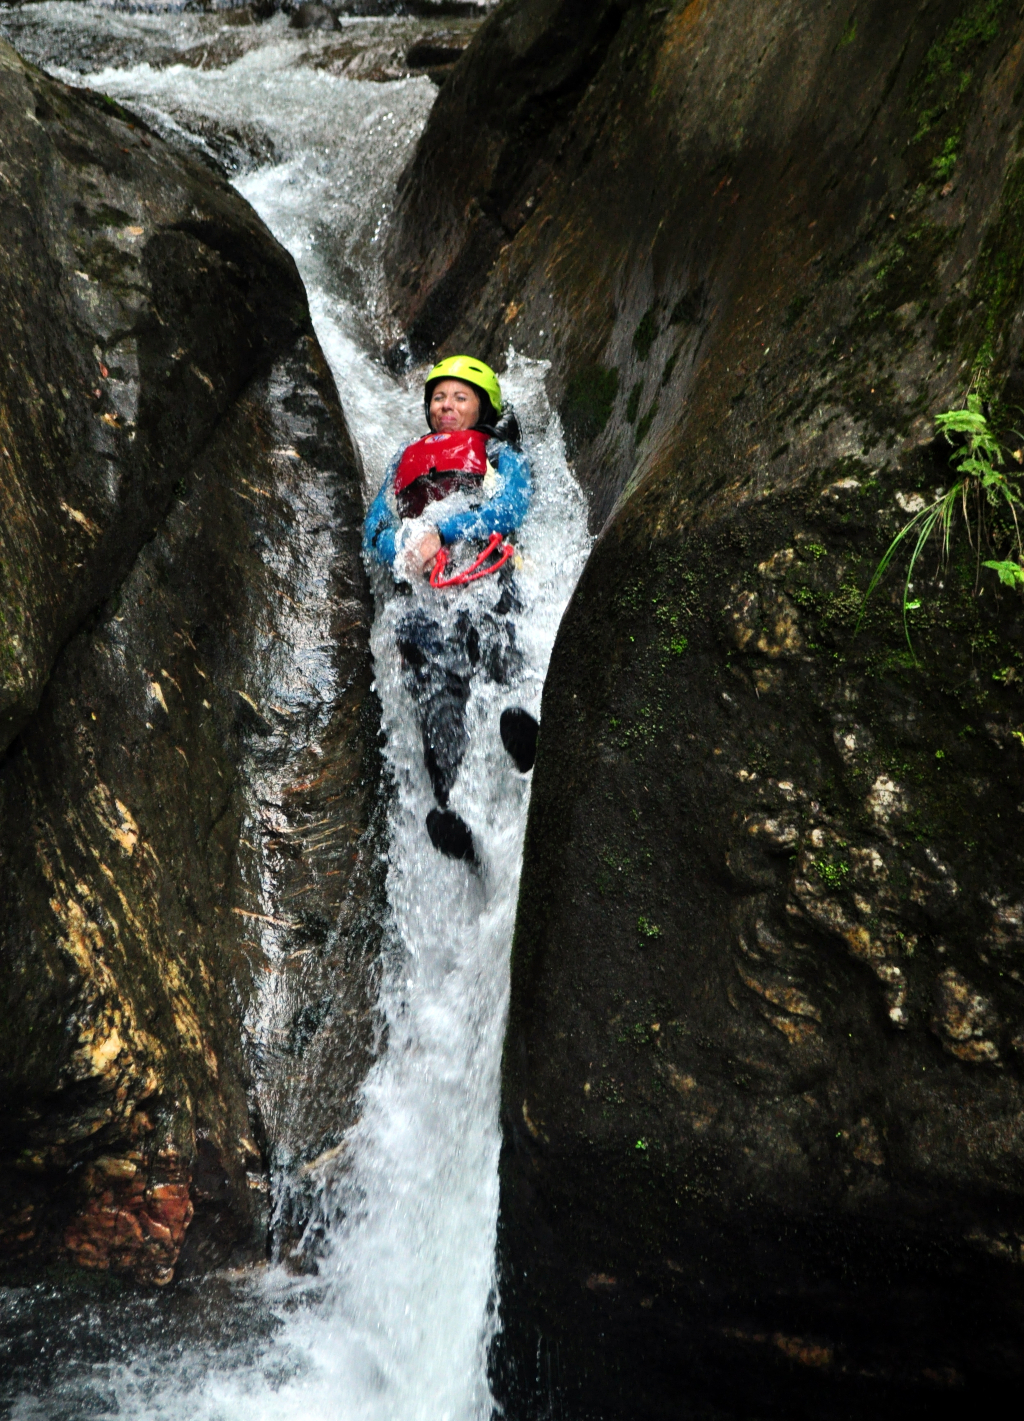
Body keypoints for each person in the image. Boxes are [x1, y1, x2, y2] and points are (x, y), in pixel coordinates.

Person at [363, 356, 539, 863]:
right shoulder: (405, 459)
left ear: (482, 408)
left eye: (460, 397)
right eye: (439, 397)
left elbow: (512, 506)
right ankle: (453, 811)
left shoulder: (498, 452)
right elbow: (375, 527)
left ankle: (524, 735)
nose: (447, 405)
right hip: (426, 593)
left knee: (490, 627)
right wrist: (403, 545)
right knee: (428, 680)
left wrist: (444, 531)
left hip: (485, 571)